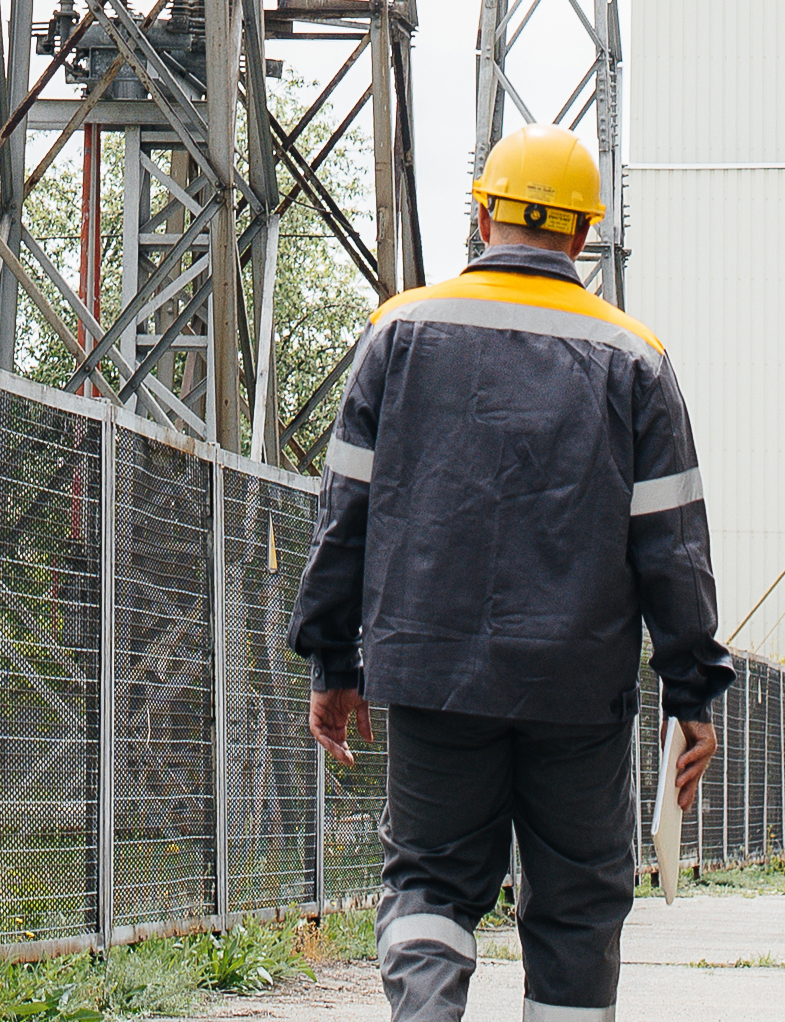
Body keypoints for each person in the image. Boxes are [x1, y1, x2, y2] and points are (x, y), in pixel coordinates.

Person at [291, 129, 729, 1022]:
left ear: (483, 216)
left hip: (432, 674)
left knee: (429, 884)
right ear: (582, 235)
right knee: (578, 905)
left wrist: (334, 663)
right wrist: (691, 693)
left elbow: (345, 514)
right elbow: (673, 543)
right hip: (578, 689)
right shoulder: (636, 358)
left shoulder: (399, 331)